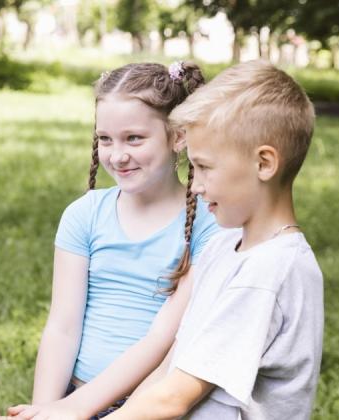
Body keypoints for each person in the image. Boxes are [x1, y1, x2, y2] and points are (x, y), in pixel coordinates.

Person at [105, 59, 325, 419]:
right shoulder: (224, 245)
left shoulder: (270, 271)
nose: (195, 184)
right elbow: (167, 374)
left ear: (264, 163)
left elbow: (174, 398)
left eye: (205, 167)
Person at [12, 62, 219, 418]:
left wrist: (79, 411)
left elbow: (163, 338)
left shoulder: (208, 222)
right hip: (73, 397)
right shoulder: (85, 214)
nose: (117, 155)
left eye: (134, 138)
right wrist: (47, 410)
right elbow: (62, 325)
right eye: (105, 139)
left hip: (145, 409)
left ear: (178, 136)